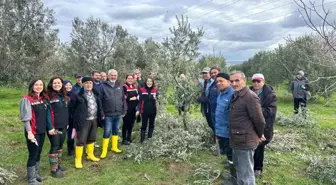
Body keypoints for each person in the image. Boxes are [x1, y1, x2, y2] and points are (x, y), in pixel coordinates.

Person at [223, 71, 265, 185]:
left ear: (244, 81)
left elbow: (259, 120)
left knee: (246, 175)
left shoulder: (250, 97)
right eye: (232, 81)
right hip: (237, 139)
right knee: (240, 170)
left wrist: (259, 134)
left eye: (237, 80)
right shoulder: (237, 94)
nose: (234, 83)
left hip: (245, 142)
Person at [20, 79, 56, 185]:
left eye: (41, 85)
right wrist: (29, 132)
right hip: (32, 132)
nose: (39, 86)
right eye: (36, 85)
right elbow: (26, 118)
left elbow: (47, 114)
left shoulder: (43, 99)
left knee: (38, 153)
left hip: (41, 131)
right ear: (32, 86)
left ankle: (35, 174)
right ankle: (31, 179)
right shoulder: (27, 99)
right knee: (33, 154)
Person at [70, 77, 104, 168]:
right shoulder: (77, 95)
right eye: (87, 83)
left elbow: (99, 105)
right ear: (83, 84)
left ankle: (90, 155)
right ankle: (78, 159)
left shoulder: (96, 94)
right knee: (81, 140)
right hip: (83, 121)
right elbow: (71, 108)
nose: (89, 85)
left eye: (90, 83)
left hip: (94, 119)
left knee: (92, 138)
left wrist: (101, 114)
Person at [250, 74, 277, 176]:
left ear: (263, 82)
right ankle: (250, 166)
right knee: (250, 146)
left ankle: (258, 168)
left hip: (264, 126)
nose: (256, 83)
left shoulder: (270, 95)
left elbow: (271, 111)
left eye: (259, 81)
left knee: (260, 146)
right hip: (250, 125)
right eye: (254, 81)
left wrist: (256, 110)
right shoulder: (249, 92)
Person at [99, 69, 127, 158]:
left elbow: (123, 99)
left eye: (115, 75)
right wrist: (101, 113)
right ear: (108, 76)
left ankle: (114, 147)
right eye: (112, 75)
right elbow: (99, 101)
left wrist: (124, 110)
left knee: (115, 131)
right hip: (107, 114)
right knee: (107, 132)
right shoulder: (102, 86)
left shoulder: (120, 86)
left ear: (117, 76)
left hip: (118, 113)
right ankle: (104, 150)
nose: (113, 77)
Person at [46, 77, 70, 178]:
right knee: (55, 146)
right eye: (54, 83)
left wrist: (67, 122)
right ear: (51, 84)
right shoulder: (47, 96)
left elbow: (65, 110)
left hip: (63, 125)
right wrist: (50, 127)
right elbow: (47, 113)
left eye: (59, 83)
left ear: (62, 84)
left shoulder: (63, 95)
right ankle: (54, 169)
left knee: (60, 145)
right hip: (54, 127)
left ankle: (58, 165)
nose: (57, 84)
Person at [214, 73, 235, 182]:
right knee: (229, 156)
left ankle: (235, 179)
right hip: (221, 131)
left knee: (233, 156)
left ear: (228, 81)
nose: (218, 83)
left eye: (221, 81)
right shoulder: (221, 94)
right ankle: (233, 175)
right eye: (217, 82)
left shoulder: (233, 94)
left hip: (229, 133)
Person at [138, 77, 159, 143]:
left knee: (151, 125)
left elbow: (158, 98)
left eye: (150, 81)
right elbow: (139, 101)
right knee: (144, 125)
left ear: (152, 83)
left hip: (153, 110)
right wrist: (138, 109)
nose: (149, 82)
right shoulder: (142, 90)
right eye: (148, 81)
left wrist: (157, 98)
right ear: (146, 82)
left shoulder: (155, 90)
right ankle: (142, 140)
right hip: (144, 110)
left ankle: (149, 139)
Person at [122, 74, 139, 145]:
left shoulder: (135, 87)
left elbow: (138, 95)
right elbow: (123, 97)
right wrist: (131, 98)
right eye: (129, 78)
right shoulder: (124, 87)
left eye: (131, 78)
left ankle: (129, 137)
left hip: (134, 108)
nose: (130, 80)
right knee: (126, 123)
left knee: (132, 123)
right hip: (127, 108)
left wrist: (138, 96)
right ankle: (124, 139)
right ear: (126, 79)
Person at [198, 67, 214, 134]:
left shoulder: (213, 83)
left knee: (213, 123)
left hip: (211, 106)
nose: (204, 74)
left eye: (206, 73)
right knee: (209, 123)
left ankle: (216, 139)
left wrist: (206, 99)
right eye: (203, 73)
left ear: (209, 74)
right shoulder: (202, 83)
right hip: (204, 107)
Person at [208, 67, 220, 145]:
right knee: (215, 127)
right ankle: (217, 144)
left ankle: (222, 147)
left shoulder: (222, 83)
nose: (213, 74)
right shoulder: (212, 84)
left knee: (220, 127)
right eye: (211, 73)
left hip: (220, 111)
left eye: (215, 72)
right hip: (213, 109)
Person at [63, 80, 75, 156]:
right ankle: (70, 150)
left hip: (74, 117)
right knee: (69, 134)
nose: (68, 86)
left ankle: (74, 148)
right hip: (66, 118)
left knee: (73, 134)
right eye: (66, 85)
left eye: (70, 85)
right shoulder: (62, 96)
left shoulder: (74, 94)